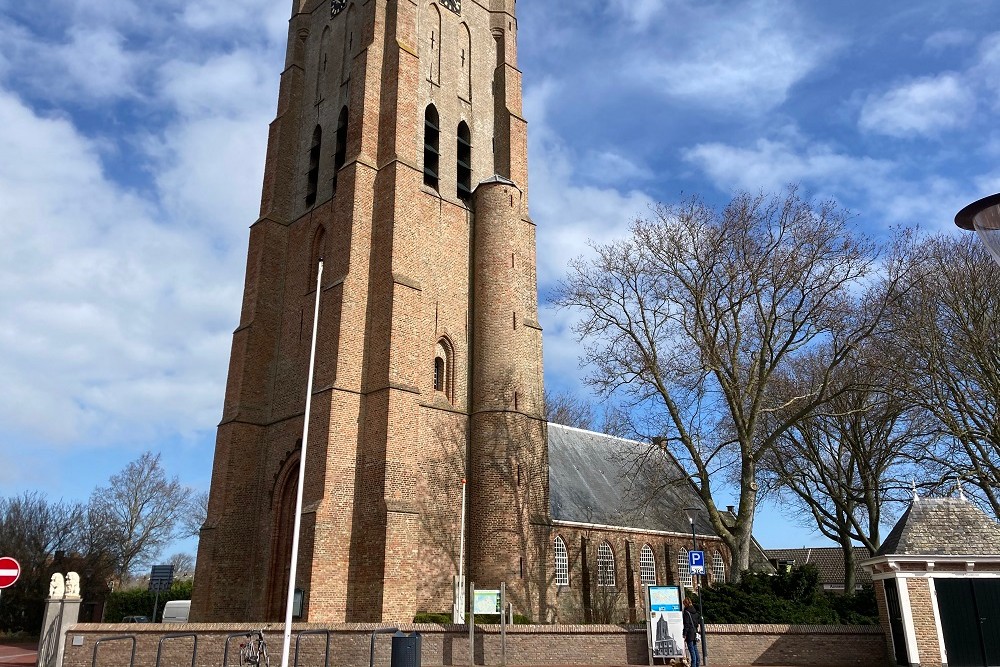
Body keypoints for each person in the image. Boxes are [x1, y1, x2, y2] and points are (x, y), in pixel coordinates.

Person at [682, 597, 701, 667]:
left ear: (686, 604)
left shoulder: (687, 612)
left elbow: (686, 624)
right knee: (695, 648)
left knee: (691, 650)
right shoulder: (695, 612)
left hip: (689, 633)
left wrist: (684, 634)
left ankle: (693, 665)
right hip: (694, 632)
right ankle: (697, 663)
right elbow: (697, 623)